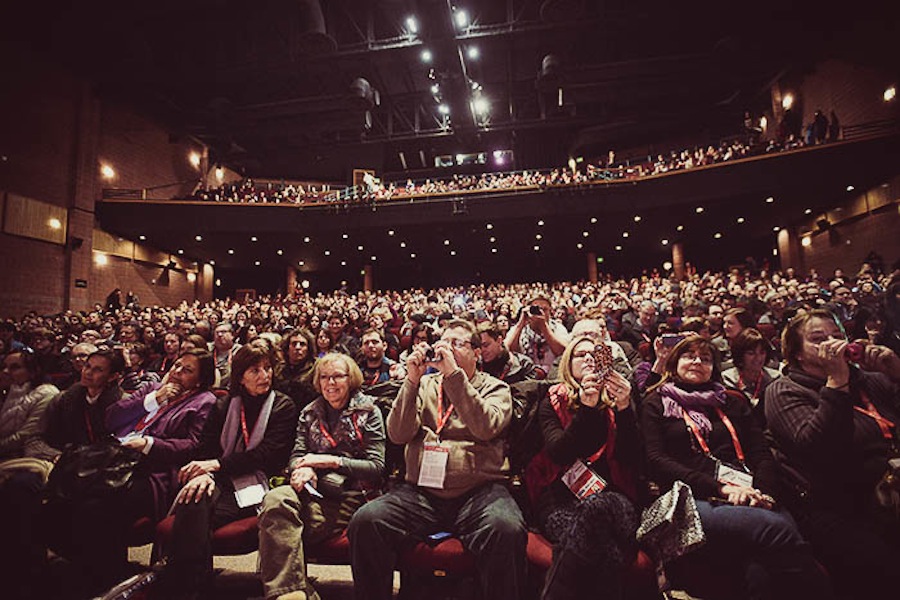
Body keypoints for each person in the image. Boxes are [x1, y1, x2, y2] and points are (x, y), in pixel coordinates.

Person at [348, 319, 528, 600]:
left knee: (506, 528)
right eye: (445, 342)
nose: (448, 348)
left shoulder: (495, 388)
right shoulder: (424, 385)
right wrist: (411, 381)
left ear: (477, 353)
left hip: (479, 492)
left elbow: (486, 427)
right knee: (367, 521)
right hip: (422, 493)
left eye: (457, 343)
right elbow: (398, 434)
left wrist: (454, 376)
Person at [641, 336, 830, 599]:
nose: (697, 362)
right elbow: (657, 461)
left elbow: (760, 452)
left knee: (759, 573)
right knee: (776, 528)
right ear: (674, 363)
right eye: (689, 356)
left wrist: (761, 491)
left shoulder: (731, 401)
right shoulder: (656, 402)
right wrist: (722, 489)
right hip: (692, 496)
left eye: (705, 358)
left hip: (749, 490)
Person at [764, 309, 900, 599]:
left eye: (837, 336)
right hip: (840, 505)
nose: (832, 343)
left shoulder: (869, 380)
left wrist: (896, 373)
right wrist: (837, 382)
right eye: (818, 339)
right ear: (797, 354)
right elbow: (819, 450)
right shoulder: (784, 390)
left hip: (891, 488)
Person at [155, 340, 298, 599]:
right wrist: (205, 475)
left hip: (259, 481)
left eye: (267, 368)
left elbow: (267, 456)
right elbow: (206, 448)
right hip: (222, 477)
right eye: (255, 370)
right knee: (194, 499)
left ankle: (184, 588)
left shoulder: (282, 405)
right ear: (240, 377)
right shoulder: (225, 404)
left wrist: (216, 465)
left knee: (195, 518)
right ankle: (193, 586)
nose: (264, 375)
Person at [258, 352, 385, 600]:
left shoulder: (369, 411)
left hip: (351, 493)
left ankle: (293, 592)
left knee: (282, 528)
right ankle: (293, 593)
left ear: (350, 379)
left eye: (337, 376)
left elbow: (376, 467)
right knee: (274, 499)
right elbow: (296, 456)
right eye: (324, 377)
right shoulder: (310, 412)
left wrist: (331, 461)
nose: (330, 383)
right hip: (312, 488)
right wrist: (302, 468)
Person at [524, 336, 641, 599]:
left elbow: (633, 459)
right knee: (607, 553)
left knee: (597, 506)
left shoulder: (621, 398)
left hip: (614, 498)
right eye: (580, 354)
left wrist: (624, 408)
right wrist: (587, 408)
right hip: (560, 501)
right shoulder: (552, 401)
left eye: (594, 354)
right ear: (568, 363)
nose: (588, 358)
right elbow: (559, 453)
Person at [721, 328, 781, 428]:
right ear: (740, 355)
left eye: (762, 352)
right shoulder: (727, 379)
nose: (758, 358)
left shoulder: (775, 378)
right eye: (751, 353)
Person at [506, 295, 571, 376]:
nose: (540, 312)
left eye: (545, 309)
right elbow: (509, 351)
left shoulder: (558, 328)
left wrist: (543, 326)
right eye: (536, 309)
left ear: (550, 312)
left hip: (553, 377)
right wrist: (521, 323)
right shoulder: (518, 328)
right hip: (525, 378)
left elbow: (564, 353)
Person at [477, 321, 542, 383]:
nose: (482, 350)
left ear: (499, 341)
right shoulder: (477, 367)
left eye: (486, 345)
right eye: (479, 347)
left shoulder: (524, 364)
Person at [274, 328, 318, 410]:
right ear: (287, 349)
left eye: (302, 344)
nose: (297, 347)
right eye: (294, 344)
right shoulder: (278, 368)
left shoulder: (316, 368)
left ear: (308, 349)